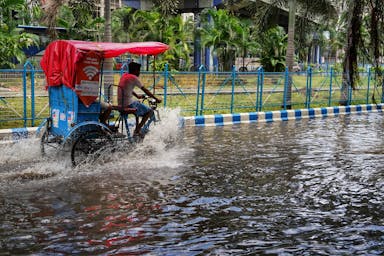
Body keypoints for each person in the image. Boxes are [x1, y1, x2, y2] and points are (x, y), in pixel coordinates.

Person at [118, 62, 161, 137]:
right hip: (128, 104)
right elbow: (145, 90)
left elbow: (127, 88)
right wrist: (156, 98)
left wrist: (137, 96)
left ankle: (138, 129)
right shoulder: (134, 78)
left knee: (138, 103)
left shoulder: (124, 75)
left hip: (121, 103)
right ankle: (137, 129)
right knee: (150, 111)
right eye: (139, 70)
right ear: (135, 70)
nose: (139, 72)